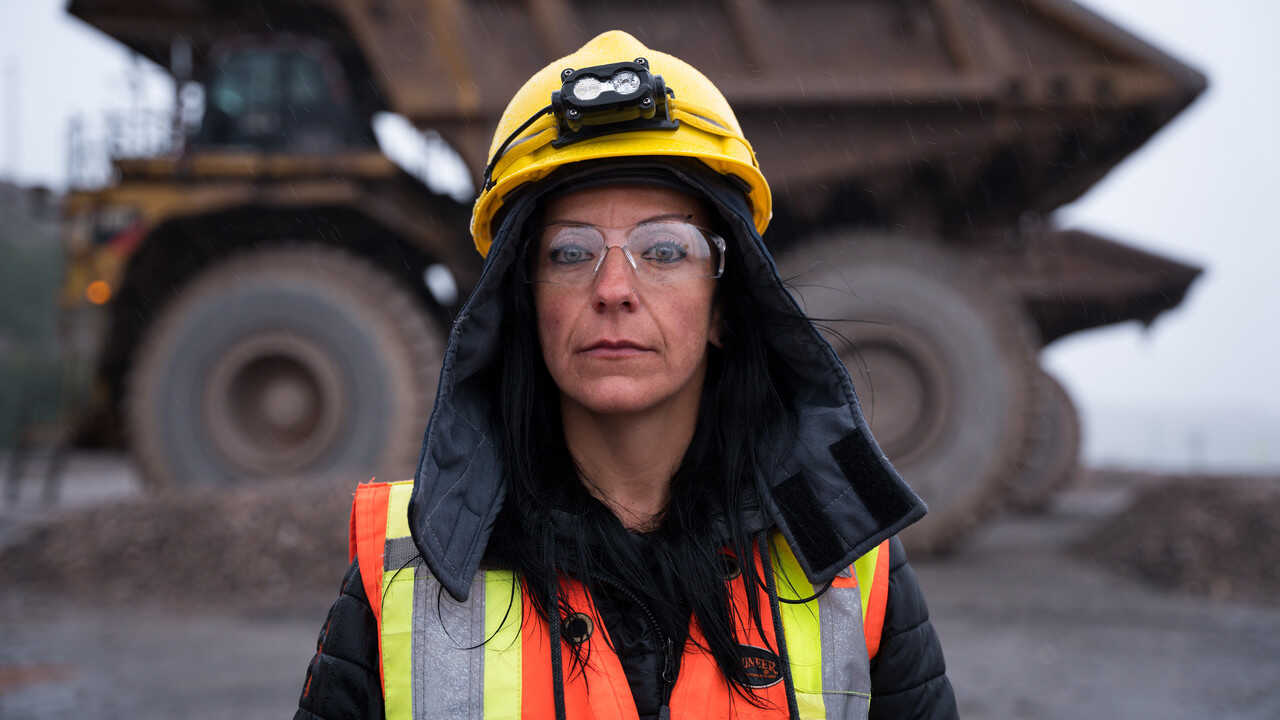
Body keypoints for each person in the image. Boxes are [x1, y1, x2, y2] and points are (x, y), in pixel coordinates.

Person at [294, 31, 957, 720]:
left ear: (725, 305)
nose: (613, 289)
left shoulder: (855, 566)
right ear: (522, 303)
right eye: (570, 251)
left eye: (664, 249)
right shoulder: (405, 565)